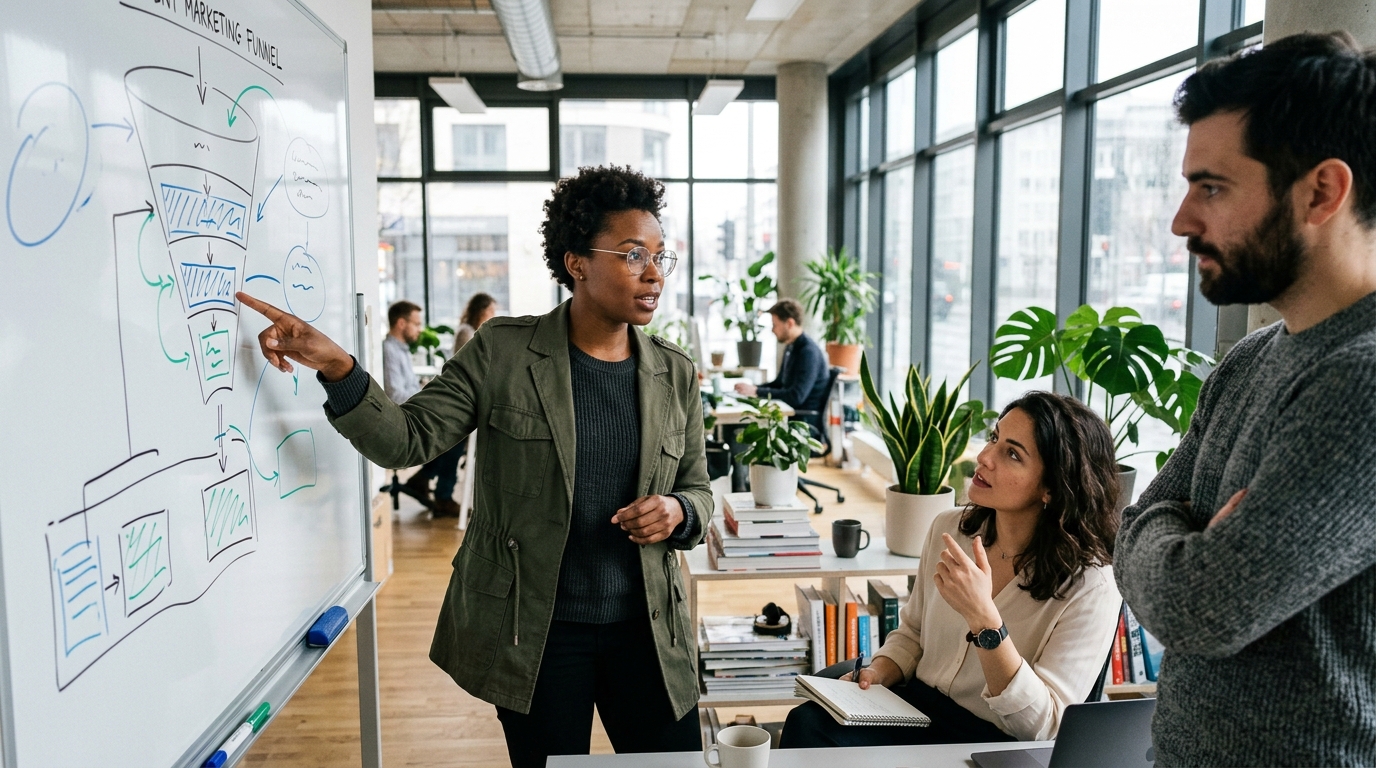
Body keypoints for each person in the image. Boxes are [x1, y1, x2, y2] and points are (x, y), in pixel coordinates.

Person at [236, 165, 711, 768]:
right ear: (577, 264)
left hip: (648, 628)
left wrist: (679, 509)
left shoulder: (673, 371)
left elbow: (697, 487)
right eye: (632, 254)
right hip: (537, 631)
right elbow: (407, 440)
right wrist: (337, 366)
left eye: (660, 258)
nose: (653, 274)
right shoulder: (503, 353)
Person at [1114, 32, 1376, 766]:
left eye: (1213, 187)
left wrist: (1172, 547)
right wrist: (1175, 538)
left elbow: (1203, 608)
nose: (1181, 220)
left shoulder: (1362, 381)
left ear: (1321, 191)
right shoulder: (1255, 356)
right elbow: (1135, 526)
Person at [781, 392, 1122, 748]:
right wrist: (881, 669)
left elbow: (1045, 725)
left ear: (1052, 487)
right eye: (994, 439)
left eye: (1012, 454)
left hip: (993, 741)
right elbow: (912, 633)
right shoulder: (951, 530)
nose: (984, 457)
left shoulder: (1092, 585)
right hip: (918, 709)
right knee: (807, 723)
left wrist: (986, 622)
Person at [382, 300, 463, 519]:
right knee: (457, 434)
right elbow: (394, 395)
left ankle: (425, 479)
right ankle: (442, 495)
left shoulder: (402, 350)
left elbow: (406, 389)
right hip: (403, 419)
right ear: (401, 323)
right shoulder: (390, 351)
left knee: (458, 428)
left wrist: (426, 391)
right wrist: (426, 397)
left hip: (411, 412)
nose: (420, 329)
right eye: (416, 324)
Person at [733, 298, 830, 415]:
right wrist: (752, 388)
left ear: (789, 323)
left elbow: (796, 397)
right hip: (788, 412)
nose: (772, 330)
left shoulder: (808, 352)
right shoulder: (791, 347)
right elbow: (779, 383)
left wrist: (757, 391)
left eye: (775, 325)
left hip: (801, 420)